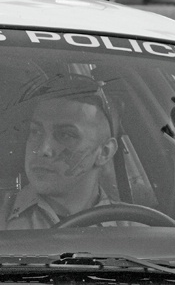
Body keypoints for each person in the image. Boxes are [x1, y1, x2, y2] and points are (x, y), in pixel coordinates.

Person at [1, 74, 119, 229]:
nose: (44, 150)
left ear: (104, 152)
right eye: (36, 131)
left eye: (66, 135)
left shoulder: (140, 232)